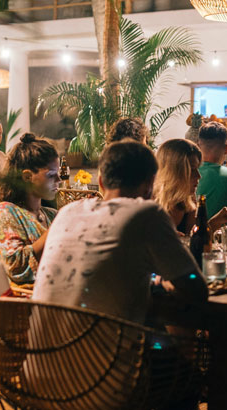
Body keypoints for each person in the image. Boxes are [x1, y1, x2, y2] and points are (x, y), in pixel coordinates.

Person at [33, 139, 207, 325]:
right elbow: (197, 289)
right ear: (150, 184)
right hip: (105, 351)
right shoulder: (147, 214)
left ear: (101, 181)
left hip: (41, 349)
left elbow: (37, 253)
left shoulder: (68, 210)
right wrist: (162, 283)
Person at [0, 133, 60, 285]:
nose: (59, 180)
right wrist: (58, 228)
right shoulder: (5, 212)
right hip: (25, 301)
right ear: (27, 177)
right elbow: (15, 268)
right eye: (52, 175)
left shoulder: (51, 215)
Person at [153, 138, 227, 234]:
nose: (199, 176)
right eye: (192, 169)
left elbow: (193, 240)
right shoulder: (148, 203)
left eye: (197, 169)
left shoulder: (188, 200)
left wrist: (213, 223)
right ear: (173, 173)